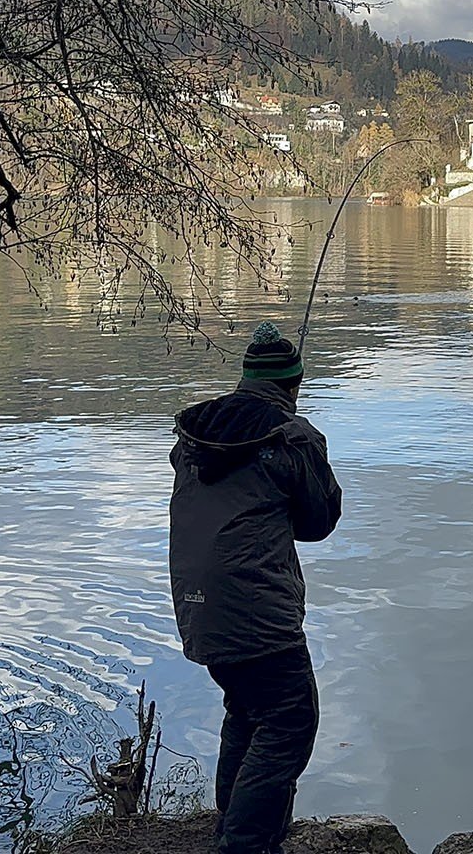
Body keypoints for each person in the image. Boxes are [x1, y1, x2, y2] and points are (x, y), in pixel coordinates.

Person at [170, 320, 342, 854]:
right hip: (256, 605)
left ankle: (236, 829)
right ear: (293, 384)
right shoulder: (292, 436)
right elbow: (318, 522)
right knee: (290, 719)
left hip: (198, 603)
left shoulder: (198, 434)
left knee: (248, 710)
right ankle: (243, 844)